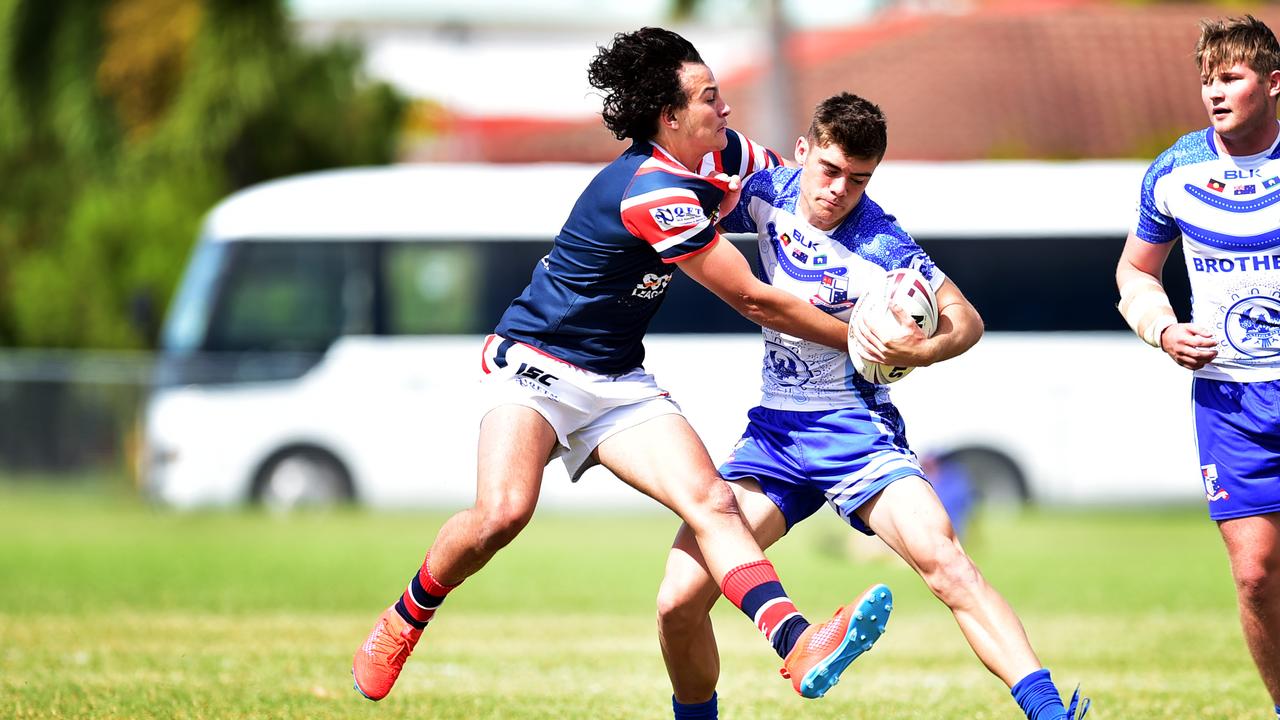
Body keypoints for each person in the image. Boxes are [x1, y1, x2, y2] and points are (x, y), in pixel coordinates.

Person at [351, 27, 891, 704]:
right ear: (670, 118)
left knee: (714, 501)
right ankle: (406, 616)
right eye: (709, 98)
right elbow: (753, 297)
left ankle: (797, 641)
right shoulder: (650, 191)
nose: (724, 108)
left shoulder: (726, 154)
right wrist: (863, 338)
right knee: (502, 515)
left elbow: (799, 196)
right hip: (537, 364)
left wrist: (893, 261)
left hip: (615, 381)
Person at [656, 92, 1090, 720]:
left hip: (855, 434)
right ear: (803, 151)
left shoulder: (881, 240)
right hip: (774, 437)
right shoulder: (762, 190)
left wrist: (923, 349)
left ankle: (1053, 713)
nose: (839, 190)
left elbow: (966, 318)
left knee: (948, 565)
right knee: (678, 600)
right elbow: (683, 172)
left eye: (858, 179)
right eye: (829, 170)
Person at [1116, 15, 1280, 719]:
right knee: (1254, 575)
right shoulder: (1177, 170)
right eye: (1207, 79)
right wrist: (1161, 328)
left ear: (1273, 84)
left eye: (1231, 78)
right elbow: (1134, 273)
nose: (1215, 92)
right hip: (1230, 404)